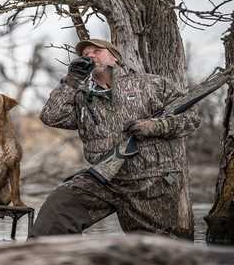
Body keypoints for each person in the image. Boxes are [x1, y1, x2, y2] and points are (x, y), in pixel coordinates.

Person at [31, 39, 200, 239]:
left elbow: (192, 117)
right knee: (58, 208)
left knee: (153, 248)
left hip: (151, 181)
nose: (90, 55)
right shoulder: (80, 95)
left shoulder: (150, 84)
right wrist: (71, 81)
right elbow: (51, 116)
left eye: (97, 50)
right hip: (104, 179)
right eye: (85, 53)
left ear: (115, 57)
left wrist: (156, 126)